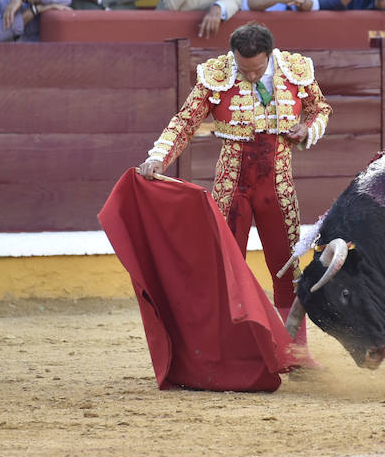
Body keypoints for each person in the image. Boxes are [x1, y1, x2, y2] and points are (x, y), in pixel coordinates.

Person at [138, 22, 332, 367]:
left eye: (257, 69)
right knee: (224, 266)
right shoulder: (218, 74)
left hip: (278, 183)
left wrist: (306, 128)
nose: (251, 76)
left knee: (287, 267)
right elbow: (185, 121)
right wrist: (159, 157)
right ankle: (226, 350)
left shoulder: (296, 71)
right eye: (244, 69)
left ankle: (295, 351)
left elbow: (321, 110)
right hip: (232, 184)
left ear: (270, 55)